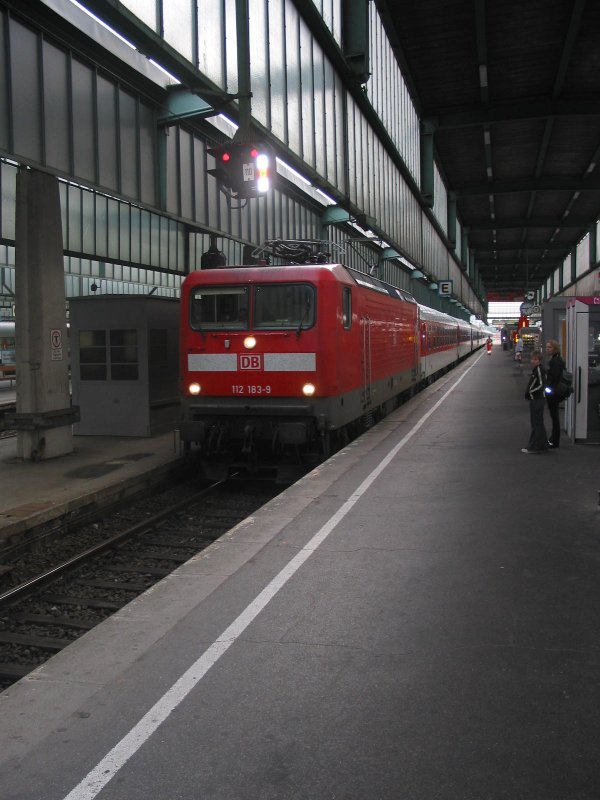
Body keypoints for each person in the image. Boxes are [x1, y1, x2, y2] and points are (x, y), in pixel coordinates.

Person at [522, 350, 549, 454]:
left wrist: (530, 392)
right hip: (537, 399)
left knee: (536, 423)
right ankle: (542, 445)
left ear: (540, 360)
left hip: (537, 400)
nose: (533, 361)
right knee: (539, 423)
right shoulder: (537, 370)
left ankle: (535, 447)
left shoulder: (539, 370)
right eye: (532, 359)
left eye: (535, 359)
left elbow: (542, 385)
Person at [545, 339, 564, 448]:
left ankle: (555, 441)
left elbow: (554, 378)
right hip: (554, 392)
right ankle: (553, 438)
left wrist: (548, 390)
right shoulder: (556, 359)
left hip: (554, 393)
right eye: (547, 347)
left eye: (550, 347)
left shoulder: (555, 361)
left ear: (555, 348)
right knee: (554, 416)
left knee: (554, 417)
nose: (548, 349)